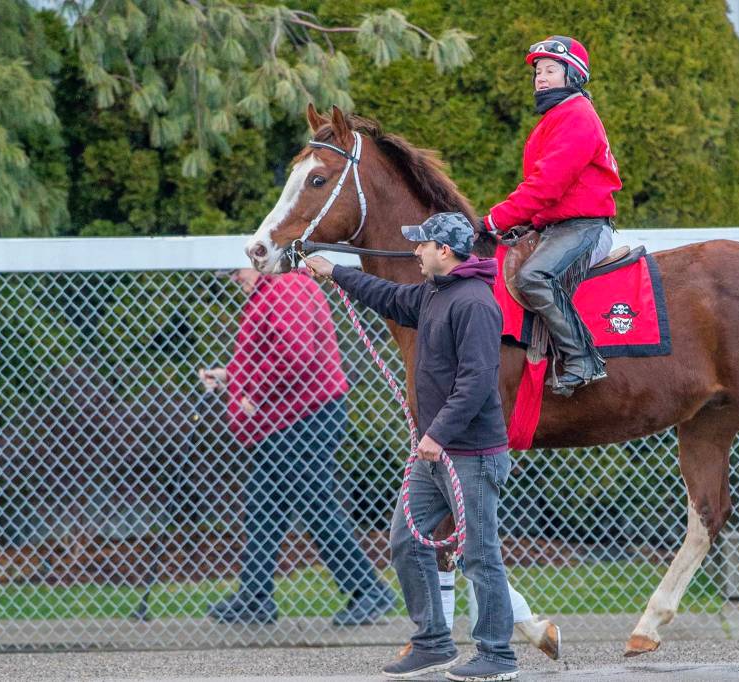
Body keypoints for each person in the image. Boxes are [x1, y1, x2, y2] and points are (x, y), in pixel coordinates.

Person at [305, 212, 519, 682]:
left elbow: (477, 381)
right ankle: (433, 643)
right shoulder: (433, 294)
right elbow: (389, 297)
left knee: (479, 554)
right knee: (406, 540)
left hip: (470, 454)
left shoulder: (475, 303)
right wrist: (335, 271)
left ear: (445, 250)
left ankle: (498, 655)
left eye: (422, 244)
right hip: (436, 454)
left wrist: (436, 434)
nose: (415, 251)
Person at [198, 268, 395, 627]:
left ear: (262, 260)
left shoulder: (288, 288)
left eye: (236, 270)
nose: (233, 279)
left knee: (315, 505)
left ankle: (369, 590)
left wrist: (253, 392)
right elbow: (272, 354)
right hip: (289, 419)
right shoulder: (275, 292)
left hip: (305, 418)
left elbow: (295, 354)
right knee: (263, 506)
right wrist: (232, 376)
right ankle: (255, 597)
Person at [480, 35, 622, 395]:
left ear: (572, 75)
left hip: (584, 228)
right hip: (559, 227)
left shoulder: (576, 116)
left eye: (550, 70)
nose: (540, 78)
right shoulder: (557, 117)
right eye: (538, 72)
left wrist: (493, 220)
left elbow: (546, 186)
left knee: (533, 276)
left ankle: (583, 360)